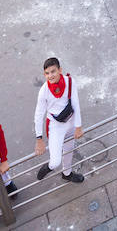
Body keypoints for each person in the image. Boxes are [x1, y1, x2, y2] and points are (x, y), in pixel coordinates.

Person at [33, 56, 85, 184]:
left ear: (60, 70)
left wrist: (78, 126)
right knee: (55, 161)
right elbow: (38, 115)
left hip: (71, 122)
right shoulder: (43, 91)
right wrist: (39, 138)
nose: (50, 76)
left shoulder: (70, 81)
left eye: (53, 71)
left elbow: (75, 104)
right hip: (56, 126)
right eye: (47, 73)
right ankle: (49, 167)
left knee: (68, 150)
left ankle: (67, 174)